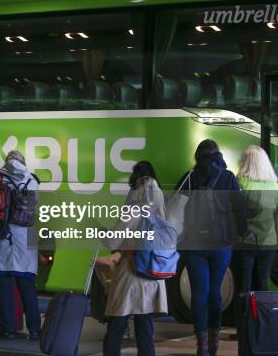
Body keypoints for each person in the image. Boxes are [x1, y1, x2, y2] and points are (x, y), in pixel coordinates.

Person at [175, 139, 247, 356]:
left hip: (195, 243)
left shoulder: (189, 177)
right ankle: (214, 344)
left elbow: (174, 207)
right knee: (215, 291)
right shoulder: (227, 177)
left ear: (197, 157)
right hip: (221, 243)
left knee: (199, 293)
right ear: (219, 155)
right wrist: (243, 233)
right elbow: (239, 209)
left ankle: (201, 346)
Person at [101, 166, 168, 356]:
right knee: (145, 326)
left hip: (130, 275)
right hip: (153, 276)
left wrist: (98, 230)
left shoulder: (133, 212)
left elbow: (113, 241)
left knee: (117, 322)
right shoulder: (161, 218)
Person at [0, 150, 41, 340]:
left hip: (0, 238)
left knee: (3, 286)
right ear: (23, 162)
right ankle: (35, 330)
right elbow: (36, 208)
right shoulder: (32, 180)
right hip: (24, 238)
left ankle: (8, 329)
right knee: (27, 286)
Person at [232, 145, 278, 355]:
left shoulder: (241, 184)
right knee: (262, 287)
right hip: (269, 244)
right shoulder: (274, 186)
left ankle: (244, 331)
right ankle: (265, 327)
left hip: (245, 244)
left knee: (243, 288)